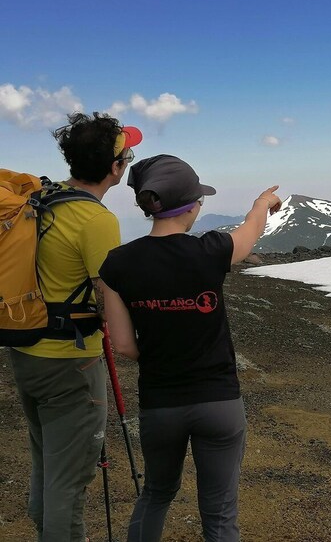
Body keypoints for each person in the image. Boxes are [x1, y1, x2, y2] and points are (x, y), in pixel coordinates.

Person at [98, 154, 281, 542]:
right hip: (219, 402)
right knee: (219, 512)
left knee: (156, 494)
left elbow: (124, 345)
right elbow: (250, 233)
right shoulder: (211, 250)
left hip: (160, 404)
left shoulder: (117, 265)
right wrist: (261, 204)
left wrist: (165, 355)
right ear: (194, 206)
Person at [10, 112, 142, 541]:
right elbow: (109, 302)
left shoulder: (44, 198)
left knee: (48, 460)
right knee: (70, 478)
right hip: (72, 365)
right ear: (114, 167)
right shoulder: (96, 221)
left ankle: (43, 525)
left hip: (26, 350)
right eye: (127, 155)